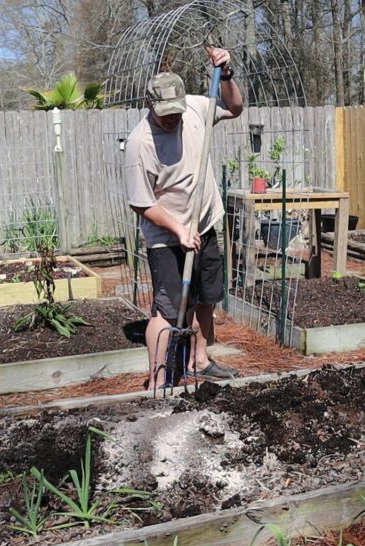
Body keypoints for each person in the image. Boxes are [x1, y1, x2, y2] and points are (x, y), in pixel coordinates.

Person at [124, 47, 245, 388]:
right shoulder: (140, 143)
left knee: (207, 297)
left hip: (204, 223)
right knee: (166, 309)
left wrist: (227, 72)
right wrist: (178, 229)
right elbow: (140, 203)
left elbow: (235, 108)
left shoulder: (194, 105)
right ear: (149, 105)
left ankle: (199, 359)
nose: (172, 118)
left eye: (176, 111)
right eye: (165, 114)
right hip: (166, 236)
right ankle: (159, 380)